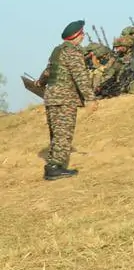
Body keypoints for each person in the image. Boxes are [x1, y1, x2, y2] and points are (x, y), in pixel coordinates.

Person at [39, 20, 95, 180]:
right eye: (82, 33)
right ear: (77, 35)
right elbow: (80, 76)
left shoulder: (58, 50)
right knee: (64, 133)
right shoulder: (73, 52)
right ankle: (55, 168)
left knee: (56, 132)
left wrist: (40, 82)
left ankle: (52, 164)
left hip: (51, 96)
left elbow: (49, 71)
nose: (83, 36)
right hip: (65, 97)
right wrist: (90, 98)